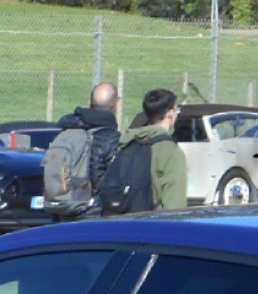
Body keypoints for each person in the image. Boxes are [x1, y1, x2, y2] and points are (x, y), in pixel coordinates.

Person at [102, 88, 188, 213]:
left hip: (119, 221)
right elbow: (174, 205)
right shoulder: (170, 151)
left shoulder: (127, 142)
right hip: (151, 226)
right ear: (170, 113)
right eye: (177, 110)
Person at [42, 82, 121, 216]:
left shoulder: (67, 132)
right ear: (116, 106)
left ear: (89, 103)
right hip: (92, 214)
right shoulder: (112, 139)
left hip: (62, 212)